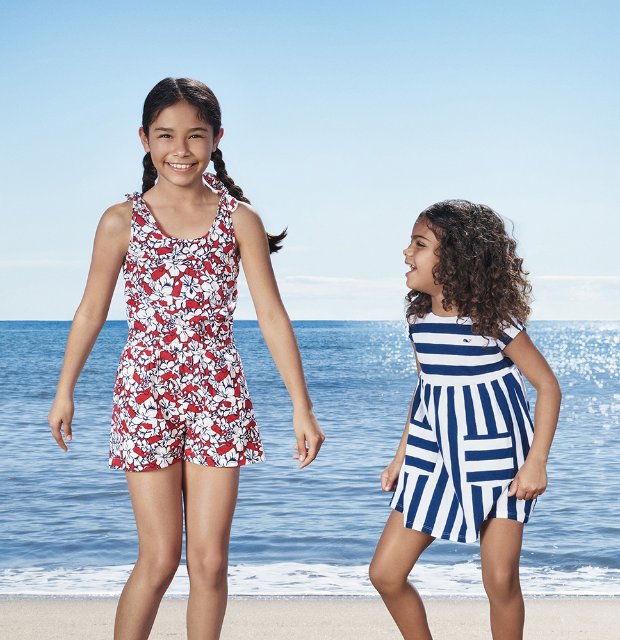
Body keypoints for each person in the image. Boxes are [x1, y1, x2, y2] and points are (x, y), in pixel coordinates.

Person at [48, 77, 324, 640]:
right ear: (144, 139)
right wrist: (64, 389)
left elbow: (272, 316)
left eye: (196, 136)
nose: (181, 149)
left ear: (217, 139)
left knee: (210, 563)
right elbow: (90, 312)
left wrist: (302, 406)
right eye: (166, 135)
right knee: (158, 561)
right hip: (144, 398)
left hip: (218, 399)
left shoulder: (239, 220)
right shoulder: (120, 221)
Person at [369, 200, 561, 640]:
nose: (406, 253)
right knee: (385, 573)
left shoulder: (493, 322)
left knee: (499, 579)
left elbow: (548, 388)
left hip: (498, 460)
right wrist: (401, 457)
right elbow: (426, 389)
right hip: (432, 455)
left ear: (456, 258)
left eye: (419, 244)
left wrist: (536, 463)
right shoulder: (419, 322)